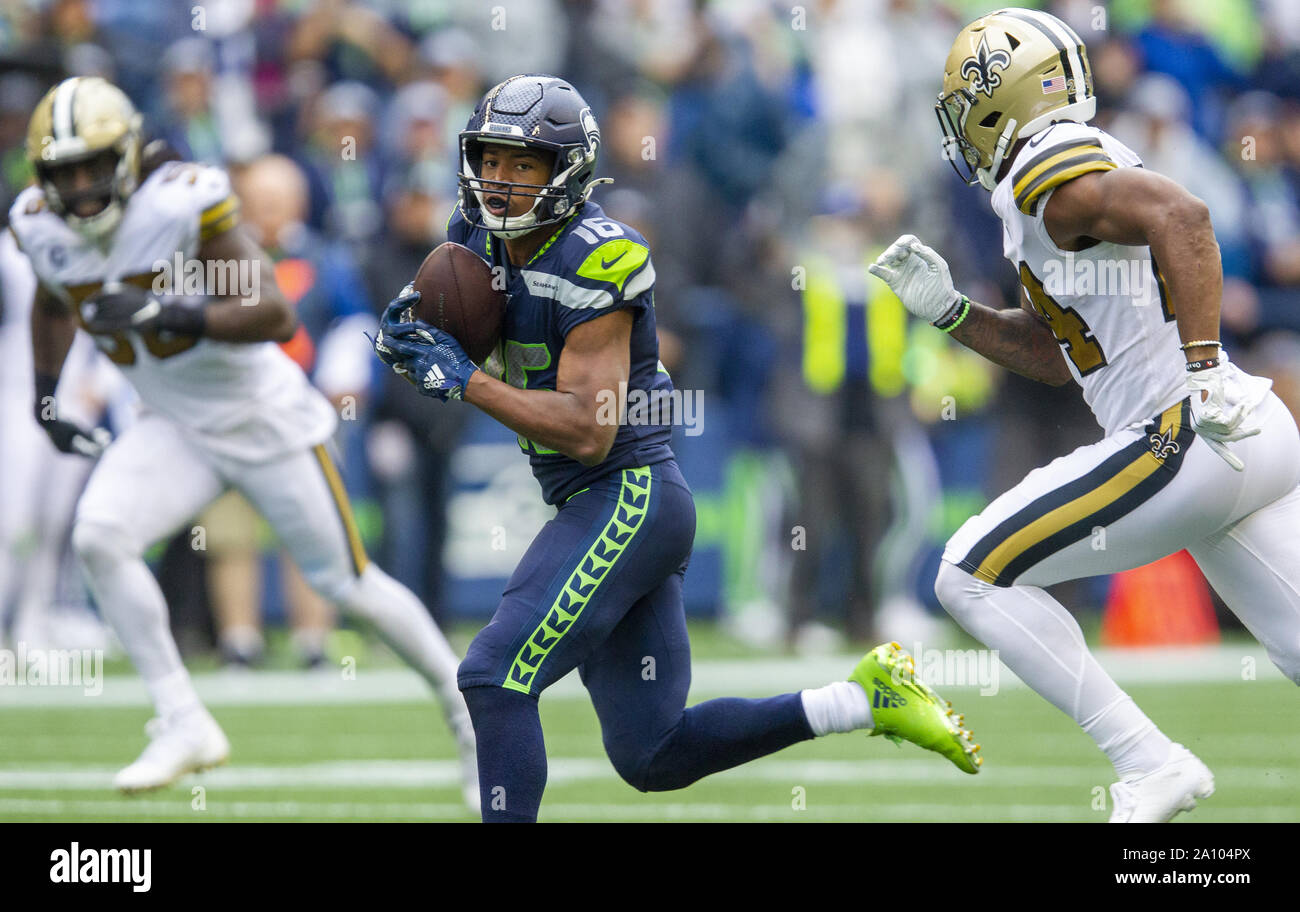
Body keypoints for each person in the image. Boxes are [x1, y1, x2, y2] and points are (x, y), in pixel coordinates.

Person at [372, 74, 981, 823]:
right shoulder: (473, 240)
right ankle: (860, 699)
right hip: (591, 499)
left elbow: (589, 431)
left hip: (628, 492)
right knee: (652, 753)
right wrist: (412, 331)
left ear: (566, 170)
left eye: (523, 164)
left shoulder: (602, 256)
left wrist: (461, 378)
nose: (499, 180)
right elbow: (439, 321)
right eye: (491, 159)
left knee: (494, 676)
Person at [869, 8, 1300, 823]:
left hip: (1187, 434)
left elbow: (1186, 217)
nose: (961, 130)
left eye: (966, 107)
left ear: (1002, 103)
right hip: (1247, 436)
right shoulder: (1061, 180)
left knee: (968, 573)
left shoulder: (1041, 163)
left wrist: (1201, 371)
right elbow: (1067, 355)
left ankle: (1150, 762)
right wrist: (956, 314)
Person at [13, 76, 478, 810]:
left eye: (93, 165)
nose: (78, 186)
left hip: (258, 412)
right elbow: (50, 294)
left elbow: (272, 311)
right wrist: (46, 396)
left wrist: (167, 310)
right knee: (100, 535)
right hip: (171, 422)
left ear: (127, 157)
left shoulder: (182, 201)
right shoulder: (38, 223)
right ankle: (181, 719)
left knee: (345, 583)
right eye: (63, 171)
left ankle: (470, 717)